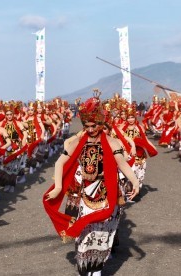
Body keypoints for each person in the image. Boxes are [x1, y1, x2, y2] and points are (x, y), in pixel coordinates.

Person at [43, 92, 140, 276]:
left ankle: (97, 270)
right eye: (86, 125)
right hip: (86, 195)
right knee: (84, 234)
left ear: (101, 123)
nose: (90, 129)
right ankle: (86, 266)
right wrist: (57, 187)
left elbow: (122, 163)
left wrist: (135, 181)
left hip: (106, 193)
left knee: (102, 235)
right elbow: (60, 162)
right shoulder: (79, 141)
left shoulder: (112, 142)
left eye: (93, 125)